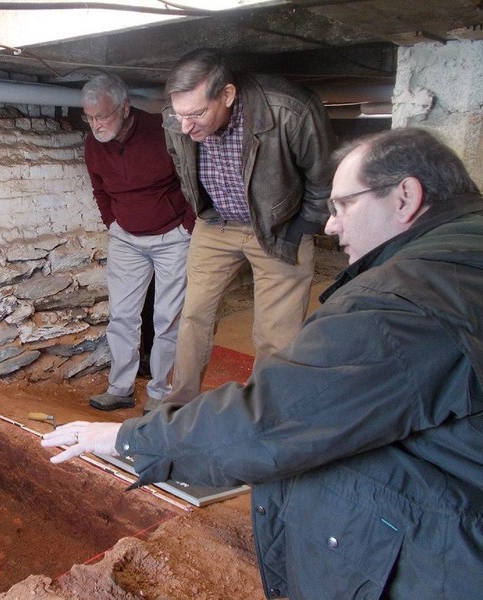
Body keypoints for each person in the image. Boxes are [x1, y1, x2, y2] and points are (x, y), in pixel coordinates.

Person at [43, 128, 483, 599]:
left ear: (405, 197)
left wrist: (124, 438)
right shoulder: (461, 256)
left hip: (439, 559)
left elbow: (269, 420)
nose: (331, 226)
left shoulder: (401, 303)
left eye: (343, 206)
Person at [160, 48, 335, 406]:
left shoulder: (290, 109)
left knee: (276, 334)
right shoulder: (176, 118)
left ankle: (265, 414)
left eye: (195, 114)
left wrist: (301, 227)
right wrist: (199, 210)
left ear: (227, 95)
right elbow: (182, 166)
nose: (185, 127)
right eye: (179, 115)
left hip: (279, 228)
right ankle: (177, 409)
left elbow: (325, 180)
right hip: (215, 224)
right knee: (193, 317)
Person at [80, 73, 195, 412]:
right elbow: (99, 189)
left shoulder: (162, 133)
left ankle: (161, 395)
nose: (97, 124)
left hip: (172, 235)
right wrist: (112, 224)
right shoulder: (93, 144)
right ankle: (120, 388)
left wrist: (187, 227)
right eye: (90, 117)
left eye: (103, 116)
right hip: (126, 238)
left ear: (125, 107)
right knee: (122, 316)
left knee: (168, 318)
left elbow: (190, 180)